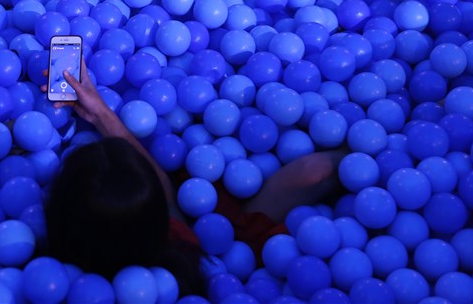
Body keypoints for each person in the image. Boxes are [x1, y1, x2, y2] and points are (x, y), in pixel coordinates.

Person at [44, 60, 345, 295]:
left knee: (316, 172)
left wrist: (100, 115)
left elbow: (164, 196)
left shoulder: (52, 274)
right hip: (229, 255)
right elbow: (167, 201)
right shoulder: (182, 264)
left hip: (219, 239)